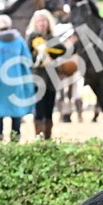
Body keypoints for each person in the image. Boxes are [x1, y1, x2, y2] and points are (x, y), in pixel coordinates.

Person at [0, 14, 35, 142]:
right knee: (16, 113)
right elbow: (27, 60)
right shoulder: (19, 40)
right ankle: (15, 142)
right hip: (16, 81)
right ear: (10, 25)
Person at [26, 9, 61, 140]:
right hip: (37, 78)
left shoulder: (53, 38)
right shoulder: (31, 37)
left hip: (51, 78)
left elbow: (61, 51)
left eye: (44, 20)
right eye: (39, 21)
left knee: (49, 109)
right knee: (39, 109)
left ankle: (48, 137)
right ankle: (39, 137)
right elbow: (27, 55)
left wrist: (48, 49)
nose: (42, 23)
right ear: (35, 23)